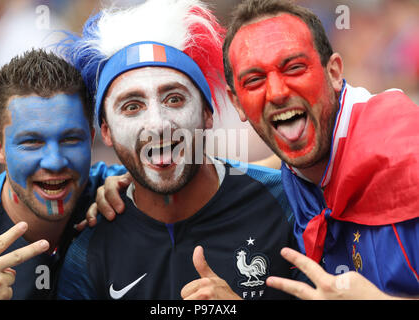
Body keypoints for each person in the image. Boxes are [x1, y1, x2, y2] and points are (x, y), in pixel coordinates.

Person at [57, 0, 304, 300]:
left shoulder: (288, 204)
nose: (158, 125)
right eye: (132, 107)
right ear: (106, 131)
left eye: (174, 99)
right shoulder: (89, 249)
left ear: (207, 113)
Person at [222, 0, 419, 298]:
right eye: (254, 80)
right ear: (236, 102)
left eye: (295, 68)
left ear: (335, 72)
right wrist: (128, 182)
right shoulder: (293, 170)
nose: (276, 93)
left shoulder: (408, 156)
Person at [0, 49, 125, 300]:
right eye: (32, 142)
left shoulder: (117, 188)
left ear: (91, 139)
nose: (55, 162)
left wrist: (138, 190)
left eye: (71, 139)